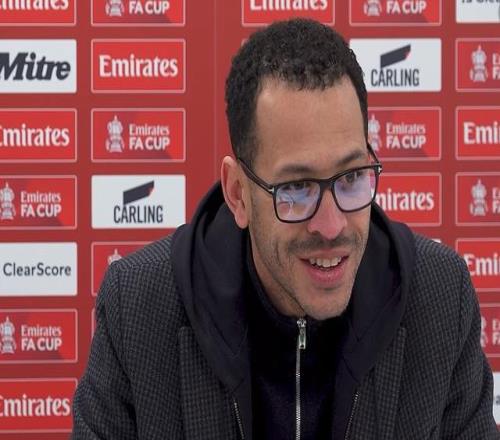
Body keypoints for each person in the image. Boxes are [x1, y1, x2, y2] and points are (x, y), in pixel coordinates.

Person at [72, 19, 498, 439]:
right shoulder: (138, 307)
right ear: (238, 194)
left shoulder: (440, 296)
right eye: (296, 188)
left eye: (351, 177)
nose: (331, 226)